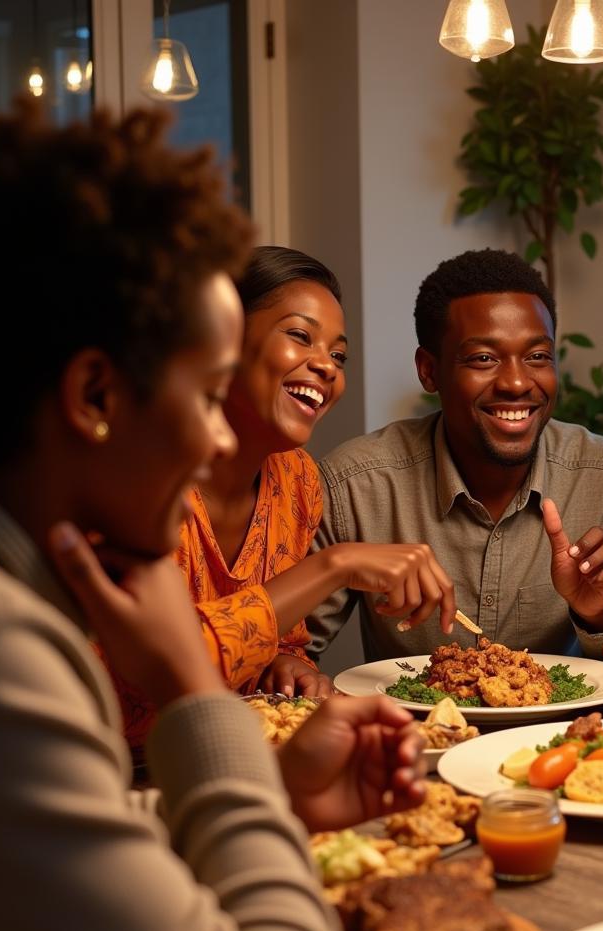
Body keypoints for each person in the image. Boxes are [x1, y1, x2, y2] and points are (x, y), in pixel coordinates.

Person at [0, 99, 425, 931]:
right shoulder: (6, 656)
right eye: (207, 392)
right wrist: (192, 685)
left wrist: (271, 791)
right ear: (96, 393)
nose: (219, 435)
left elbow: (67, 844)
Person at [114, 245, 456, 749]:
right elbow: (160, 668)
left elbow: (276, 636)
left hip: (231, 763)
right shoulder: (136, 474)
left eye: (338, 356)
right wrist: (334, 565)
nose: (326, 367)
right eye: (301, 336)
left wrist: (287, 664)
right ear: (223, 337)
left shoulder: (297, 481)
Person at [307, 248, 603, 673]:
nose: (517, 382)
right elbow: (291, 647)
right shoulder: (352, 486)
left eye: (537, 357)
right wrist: (293, 664)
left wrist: (600, 613)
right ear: (429, 370)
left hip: (567, 738)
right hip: (414, 738)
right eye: (484, 358)